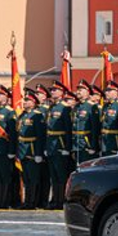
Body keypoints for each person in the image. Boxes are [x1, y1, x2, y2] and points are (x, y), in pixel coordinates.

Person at [44, 82, 73, 210]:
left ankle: (61, 200)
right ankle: (55, 199)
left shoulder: (65, 108)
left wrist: (67, 147)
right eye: (52, 90)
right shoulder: (52, 108)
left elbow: (68, 129)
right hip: (51, 145)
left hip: (60, 145)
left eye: (56, 90)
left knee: (61, 176)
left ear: (62, 92)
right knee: (53, 176)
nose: (53, 92)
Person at [17, 94, 47, 209]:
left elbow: (40, 136)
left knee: (33, 178)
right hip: (23, 150)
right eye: (25, 100)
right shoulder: (23, 115)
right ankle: (27, 201)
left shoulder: (37, 116)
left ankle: (33, 202)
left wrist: (39, 153)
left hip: (32, 150)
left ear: (34, 102)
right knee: (26, 179)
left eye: (28, 100)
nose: (24, 102)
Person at [72, 82, 102, 164]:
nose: (78, 92)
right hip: (77, 144)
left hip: (87, 144)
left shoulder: (92, 106)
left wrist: (93, 146)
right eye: (78, 90)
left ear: (88, 92)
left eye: (80, 90)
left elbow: (95, 128)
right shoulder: (77, 106)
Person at [99, 83, 118, 155]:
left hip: (114, 142)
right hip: (104, 141)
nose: (106, 93)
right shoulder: (106, 106)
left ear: (116, 92)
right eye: (106, 90)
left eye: (109, 91)